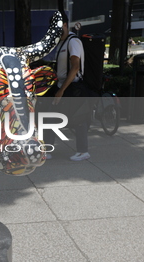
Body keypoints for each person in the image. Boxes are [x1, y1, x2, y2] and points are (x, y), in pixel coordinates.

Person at [43, 12, 92, 161]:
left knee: (78, 119)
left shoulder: (73, 41)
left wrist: (61, 91)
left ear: (65, 24)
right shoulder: (62, 43)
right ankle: (47, 149)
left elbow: (75, 66)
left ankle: (83, 151)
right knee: (50, 117)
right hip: (62, 86)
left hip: (73, 87)